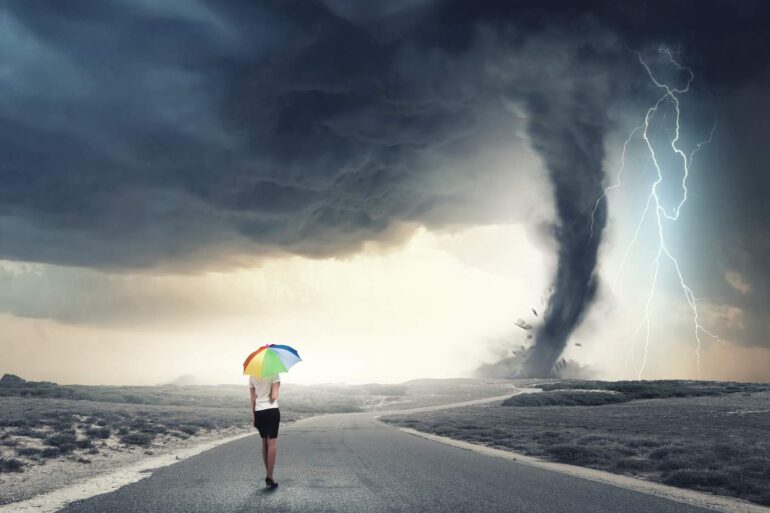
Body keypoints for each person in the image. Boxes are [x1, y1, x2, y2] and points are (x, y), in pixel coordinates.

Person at [249, 373, 281, 490]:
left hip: (259, 412)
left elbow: (253, 400)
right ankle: (270, 476)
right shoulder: (274, 374)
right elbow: (273, 396)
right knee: (272, 443)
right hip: (272, 411)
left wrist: (254, 418)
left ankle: (268, 474)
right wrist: (278, 385)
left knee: (264, 443)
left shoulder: (252, 376)